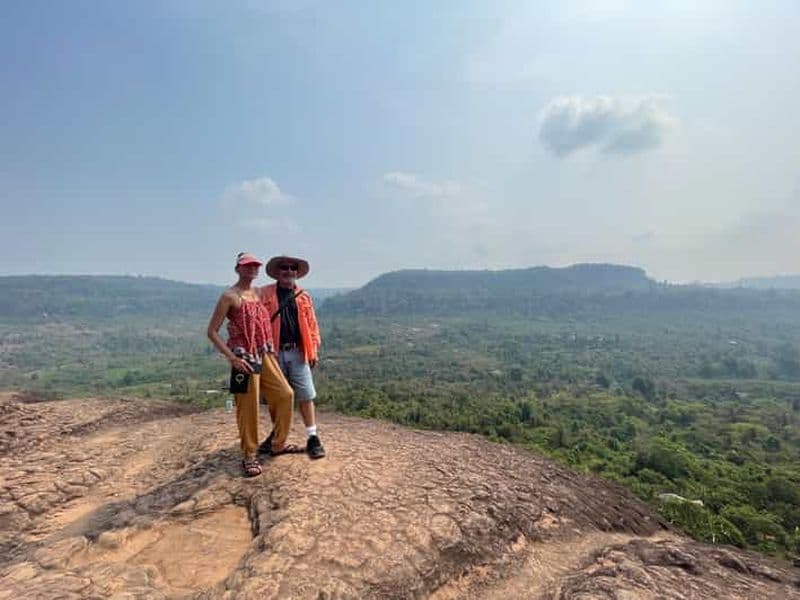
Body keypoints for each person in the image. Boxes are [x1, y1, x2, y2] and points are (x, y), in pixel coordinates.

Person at [206, 252, 297, 477]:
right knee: (247, 407)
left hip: (264, 353)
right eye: (247, 265)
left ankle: (278, 444)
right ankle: (249, 454)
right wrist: (232, 358)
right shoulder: (229, 296)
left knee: (285, 394)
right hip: (242, 358)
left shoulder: (258, 293)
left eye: (255, 265)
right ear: (237, 269)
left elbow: (285, 288)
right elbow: (212, 332)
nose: (252, 269)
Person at [258, 254, 326, 459]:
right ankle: (278, 435)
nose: (288, 271)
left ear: (297, 272)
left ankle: (312, 437)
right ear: (277, 272)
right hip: (273, 353)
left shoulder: (303, 296)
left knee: (306, 394)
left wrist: (313, 350)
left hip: (298, 351)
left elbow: (312, 325)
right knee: (277, 397)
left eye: (292, 268)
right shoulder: (264, 293)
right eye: (284, 267)